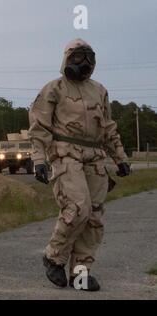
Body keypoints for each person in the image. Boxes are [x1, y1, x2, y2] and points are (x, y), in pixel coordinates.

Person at [28, 38, 130, 291]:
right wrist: (39, 160)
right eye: (77, 57)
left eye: (88, 58)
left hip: (95, 158)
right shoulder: (54, 89)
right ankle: (53, 257)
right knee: (78, 207)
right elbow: (38, 127)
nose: (83, 63)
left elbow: (108, 129)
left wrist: (121, 158)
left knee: (94, 217)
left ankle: (80, 274)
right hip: (65, 154)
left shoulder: (99, 90)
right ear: (66, 59)